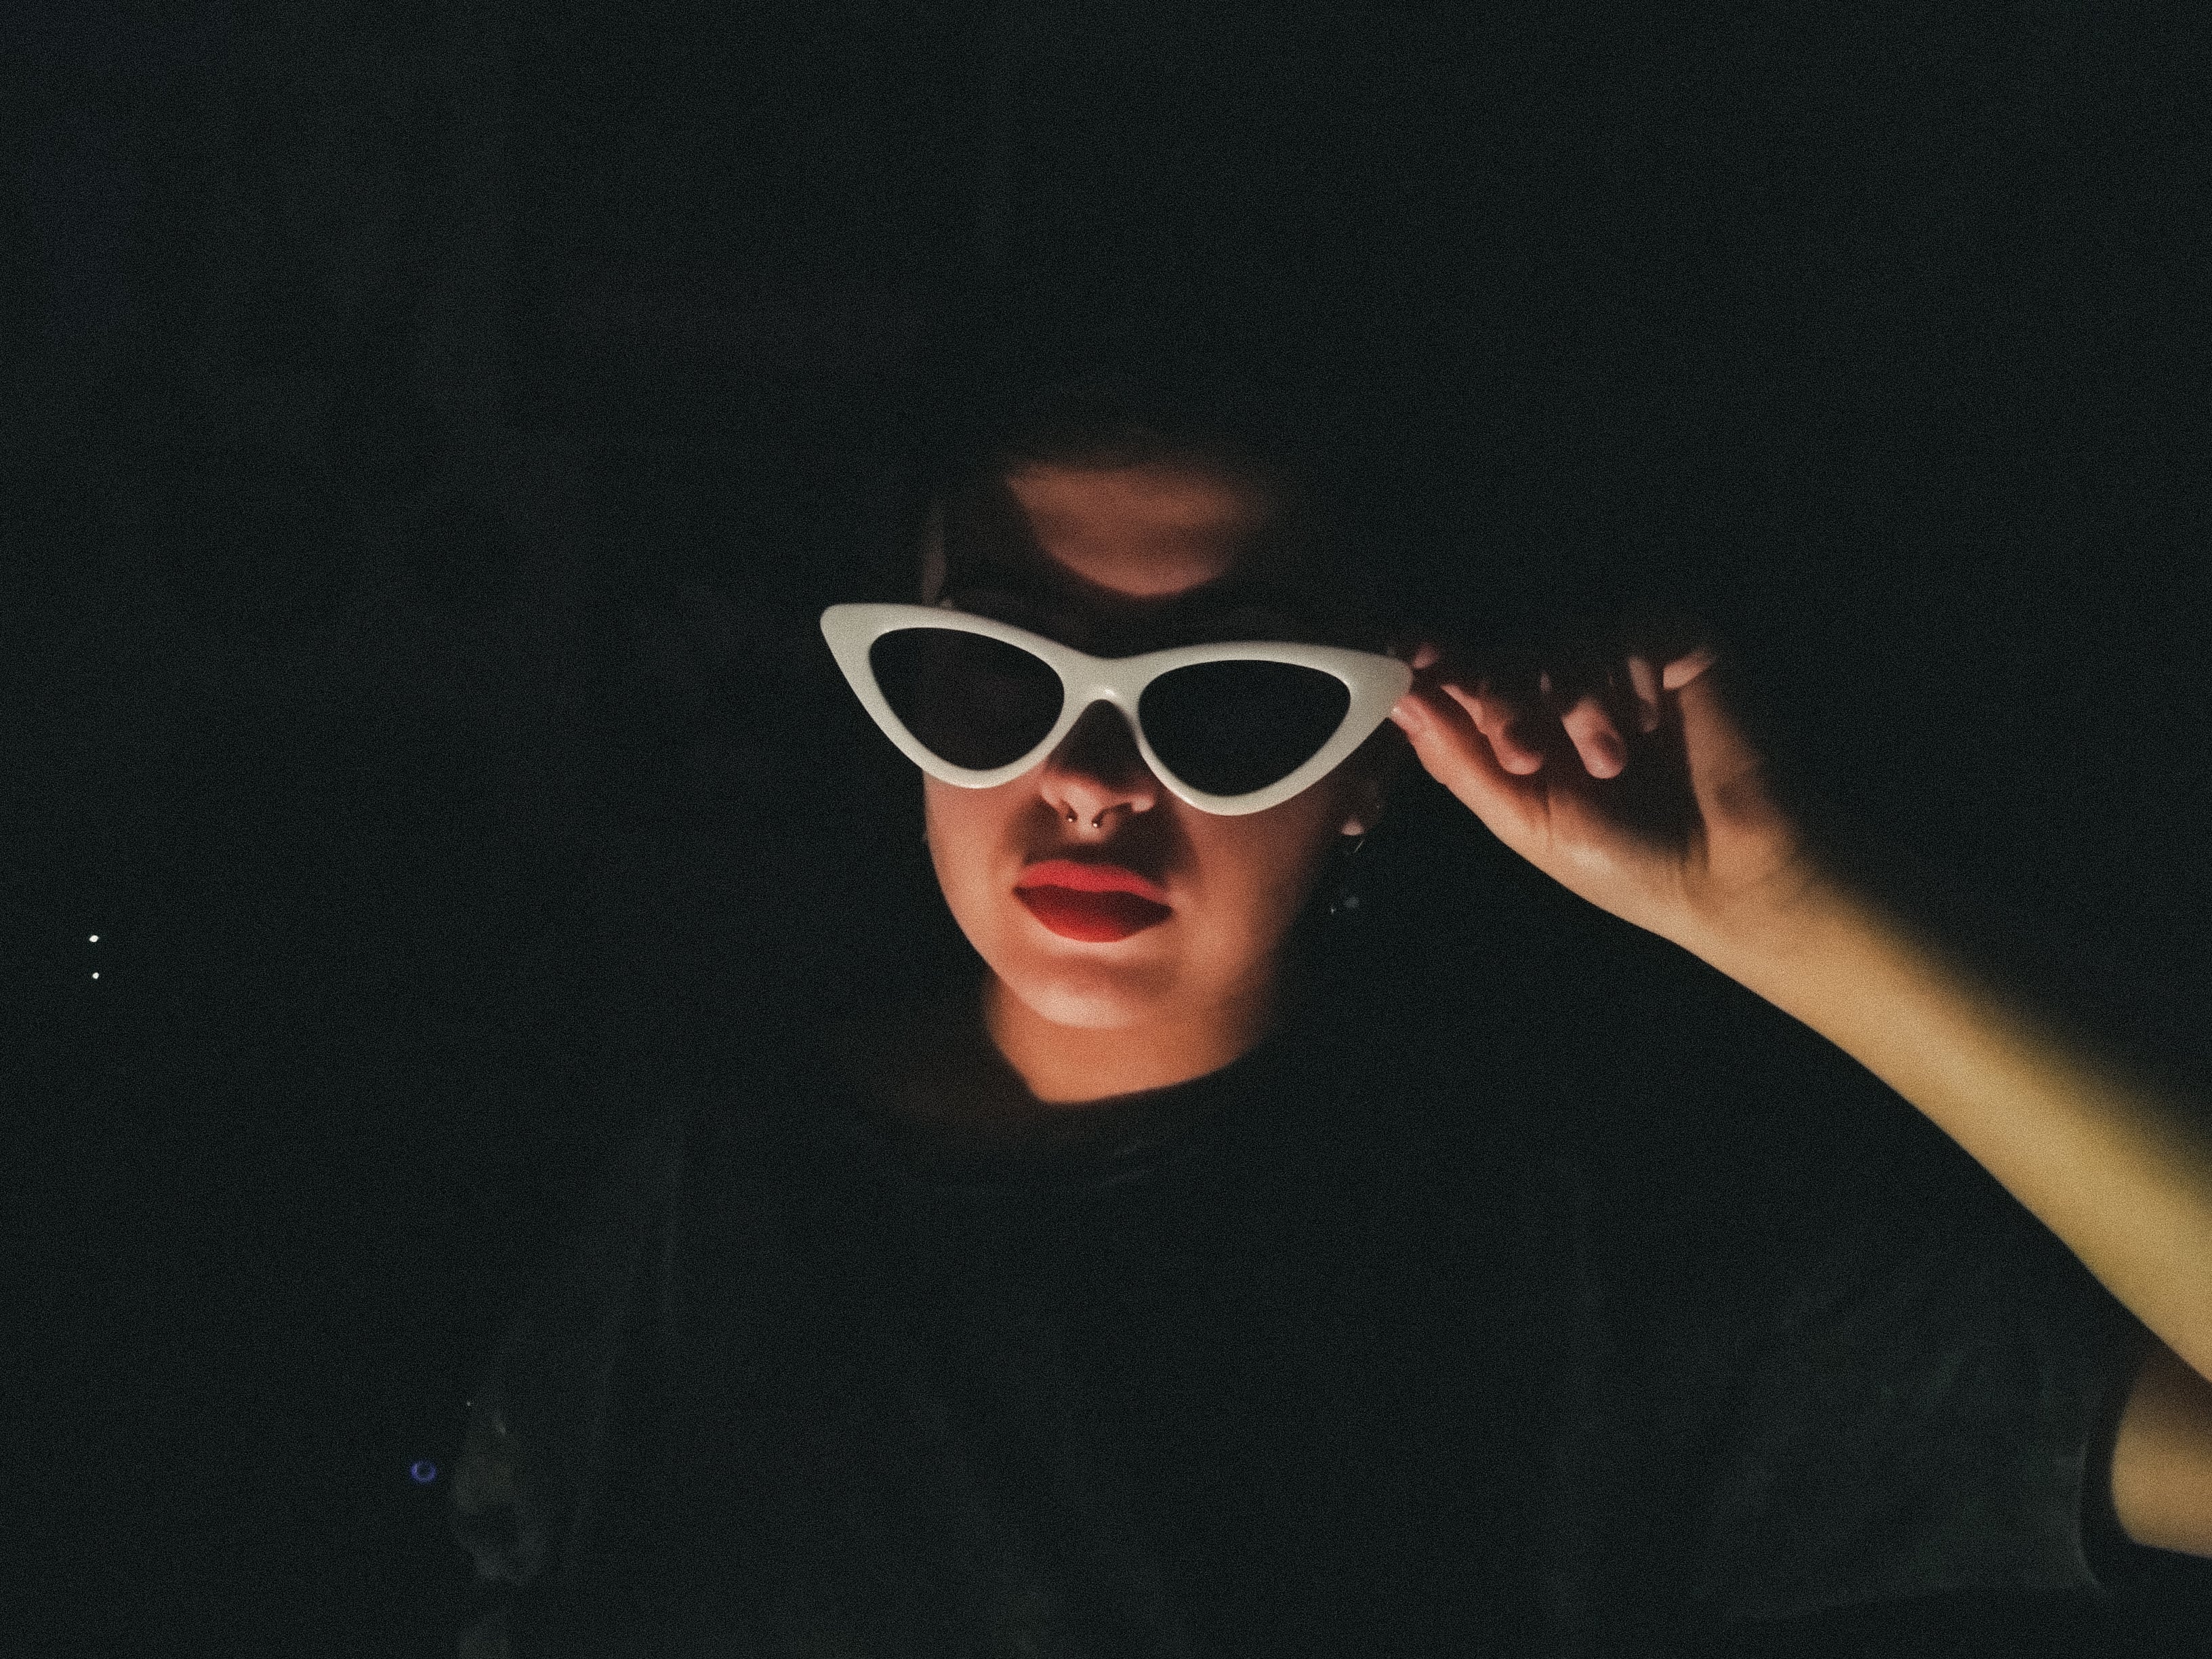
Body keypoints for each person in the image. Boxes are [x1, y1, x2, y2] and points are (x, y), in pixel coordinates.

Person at [447, 365, 2212, 1657]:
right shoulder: (695, 1200)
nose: (1089, 778)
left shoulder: (1558, 1252)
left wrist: (1790, 913)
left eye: (1228, 699)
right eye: (989, 675)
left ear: (1377, 761)